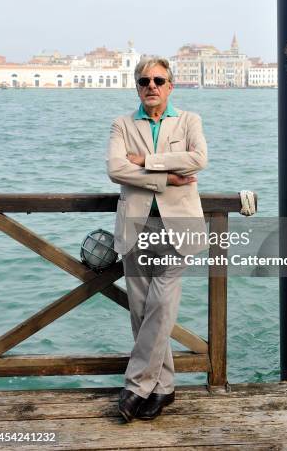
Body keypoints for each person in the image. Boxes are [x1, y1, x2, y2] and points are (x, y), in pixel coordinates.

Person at [106, 56, 208, 423]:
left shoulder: (189, 120)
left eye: (158, 80)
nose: (151, 86)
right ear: (136, 86)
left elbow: (198, 159)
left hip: (178, 228)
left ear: (170, 85)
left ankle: (135, 385)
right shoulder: (122, 123)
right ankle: (163, 387)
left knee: (161, 304)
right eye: (144, 80)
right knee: (141, 311)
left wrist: (148, 162)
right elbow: (116, 169)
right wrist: (168, 177)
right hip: (136, 226)